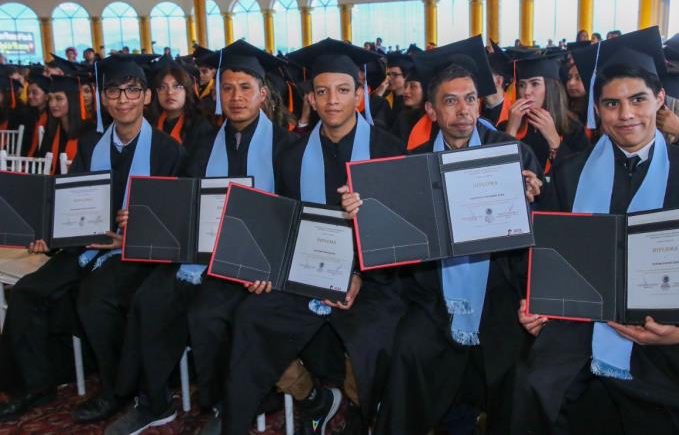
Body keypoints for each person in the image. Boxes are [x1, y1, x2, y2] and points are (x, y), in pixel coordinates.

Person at [513, 26, 679, 435]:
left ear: (660, 100)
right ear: (598, 109)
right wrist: (535, 301)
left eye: (638, 99)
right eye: (612, 103)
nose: (626, 115)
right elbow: (547, 256)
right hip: (581, 328)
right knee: (536, 387)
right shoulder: (570, 175)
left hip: (668, 337)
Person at [103, 40, 296, 435]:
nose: (236, 97)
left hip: (256, 261)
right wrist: (142, 215)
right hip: (200, 256)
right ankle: (154, 400)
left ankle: (230, 404)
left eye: (246, 88)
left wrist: (271, 263)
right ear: (218, 94)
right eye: (228, 88)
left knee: (209, 315)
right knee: (149, 299)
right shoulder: (203, 140)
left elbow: (295, 212)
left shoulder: (287, 145)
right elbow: (182, 198)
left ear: (263, 93)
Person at [354, 36, 544, 435]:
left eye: (470, 99)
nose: (463, 111)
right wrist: (366, 215)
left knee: (515, 364)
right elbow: (394, 248)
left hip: (499, 291)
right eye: (450, 101)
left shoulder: (510, 153)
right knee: (408, 350)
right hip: (431, 296)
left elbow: (533, 237)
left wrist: (530, 203)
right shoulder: (411, 165)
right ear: (432, 110)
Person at [221, 39, 407, 435]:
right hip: (303, 272)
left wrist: (358, 274)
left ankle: (360, 411)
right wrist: (267, 267)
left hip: (373, 277)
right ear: (312, 98)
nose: (332, 101)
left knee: (373, 334)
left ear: (360, 93)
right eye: (322, 91)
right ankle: (311, 396)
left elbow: (400, 231)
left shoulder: (389, 151)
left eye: (342, 90)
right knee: (249, 318)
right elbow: (282, 222)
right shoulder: (292, 151)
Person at [0, 54, 185, 423]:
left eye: (132, 90)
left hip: (135, 253)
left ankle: (118, 390)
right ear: (103, 98)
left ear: (147, 97)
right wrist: (49, 235)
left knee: (94, 298)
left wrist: (129, 236)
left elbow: (175, 220)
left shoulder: (169, 151)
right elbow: (71, 206)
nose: (123, 99)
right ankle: (37, 383)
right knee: (26, 292)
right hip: (86, 249)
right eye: (114, 91)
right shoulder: (90, 146)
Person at [500, 55, 589, 173]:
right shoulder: (504, 127)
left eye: (535, 84)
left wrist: (554, 139)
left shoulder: (573, 129)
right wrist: (510, 131)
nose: (526, 92)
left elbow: (580, 175)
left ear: (551, 87)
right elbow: (498, 175)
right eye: (521, 85)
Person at [149, 57, 215, 152]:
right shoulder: (150, 124)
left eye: (177, 86)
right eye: (162, 87)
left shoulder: (200, 127)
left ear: (187, 91)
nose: (170, 92)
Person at [36, 75, 93, 174]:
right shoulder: (51, 129)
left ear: (72, 100)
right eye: (50, 98)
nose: (52, 104)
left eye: (58, 99)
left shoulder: (89, 130)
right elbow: (42, 159)